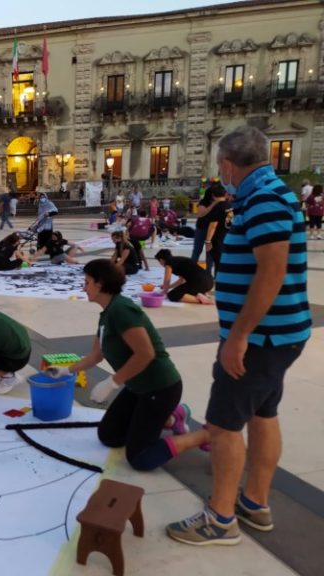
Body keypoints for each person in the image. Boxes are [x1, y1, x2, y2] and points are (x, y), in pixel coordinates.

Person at [167, 125, 310, 546]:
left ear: (228, 164)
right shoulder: (272, 192)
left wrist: (239, 336)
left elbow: (272, 270)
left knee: (224, 425)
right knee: (264, 415)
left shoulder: (264, 199)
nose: (220, 173)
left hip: (261, 339)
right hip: (278, 335)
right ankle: (254, 502)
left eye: (219, 167)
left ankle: (221, 518)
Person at [47, 259, 209, 470]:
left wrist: (112, 383)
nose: (83, 287)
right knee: (109, 436)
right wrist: (66, 370)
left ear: (100, 283)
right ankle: (171, 418)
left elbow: (146, 354)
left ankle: (204, 435)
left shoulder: (121, 310)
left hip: (160, 388)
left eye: (87, 282)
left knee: (140, 458)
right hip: (138, 388)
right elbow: (96, 356)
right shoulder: (107, 314)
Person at [203, 184, 230, 276]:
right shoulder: (230, 205)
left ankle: (218, 281)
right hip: (228, 236)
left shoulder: (217, 207)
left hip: (218, 238)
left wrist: (207, 241)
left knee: (218, 261)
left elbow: (213, 225)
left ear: (213, 196)